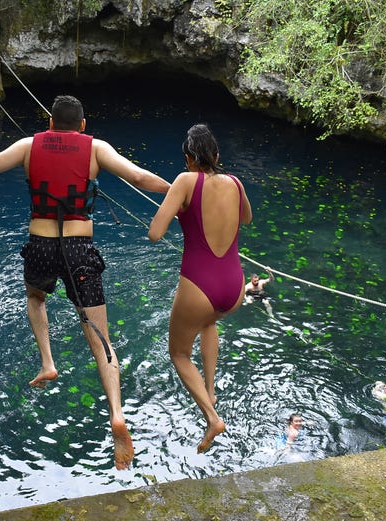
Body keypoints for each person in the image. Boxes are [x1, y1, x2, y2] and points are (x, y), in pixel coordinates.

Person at [0, 95, 170, 470]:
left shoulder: (28, 146)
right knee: (99, 334)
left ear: (50, 122)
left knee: (36, 298)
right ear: (83, 125)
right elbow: (139, 178)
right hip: (79, 247)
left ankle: (47, 361)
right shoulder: (97, 148)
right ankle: (117, 413)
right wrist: (180, 192)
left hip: (41, 244)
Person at [148, 123, 252, 453]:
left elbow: (155, 232)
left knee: (179, 353)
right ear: (217, 155)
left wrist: (179, 205)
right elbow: (246, 218)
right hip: (234, 287)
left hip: (199, 284)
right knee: (208, 322)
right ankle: (210, 388)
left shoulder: (185, 180)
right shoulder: (235, 182)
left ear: (188, 158)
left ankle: (212, 416)